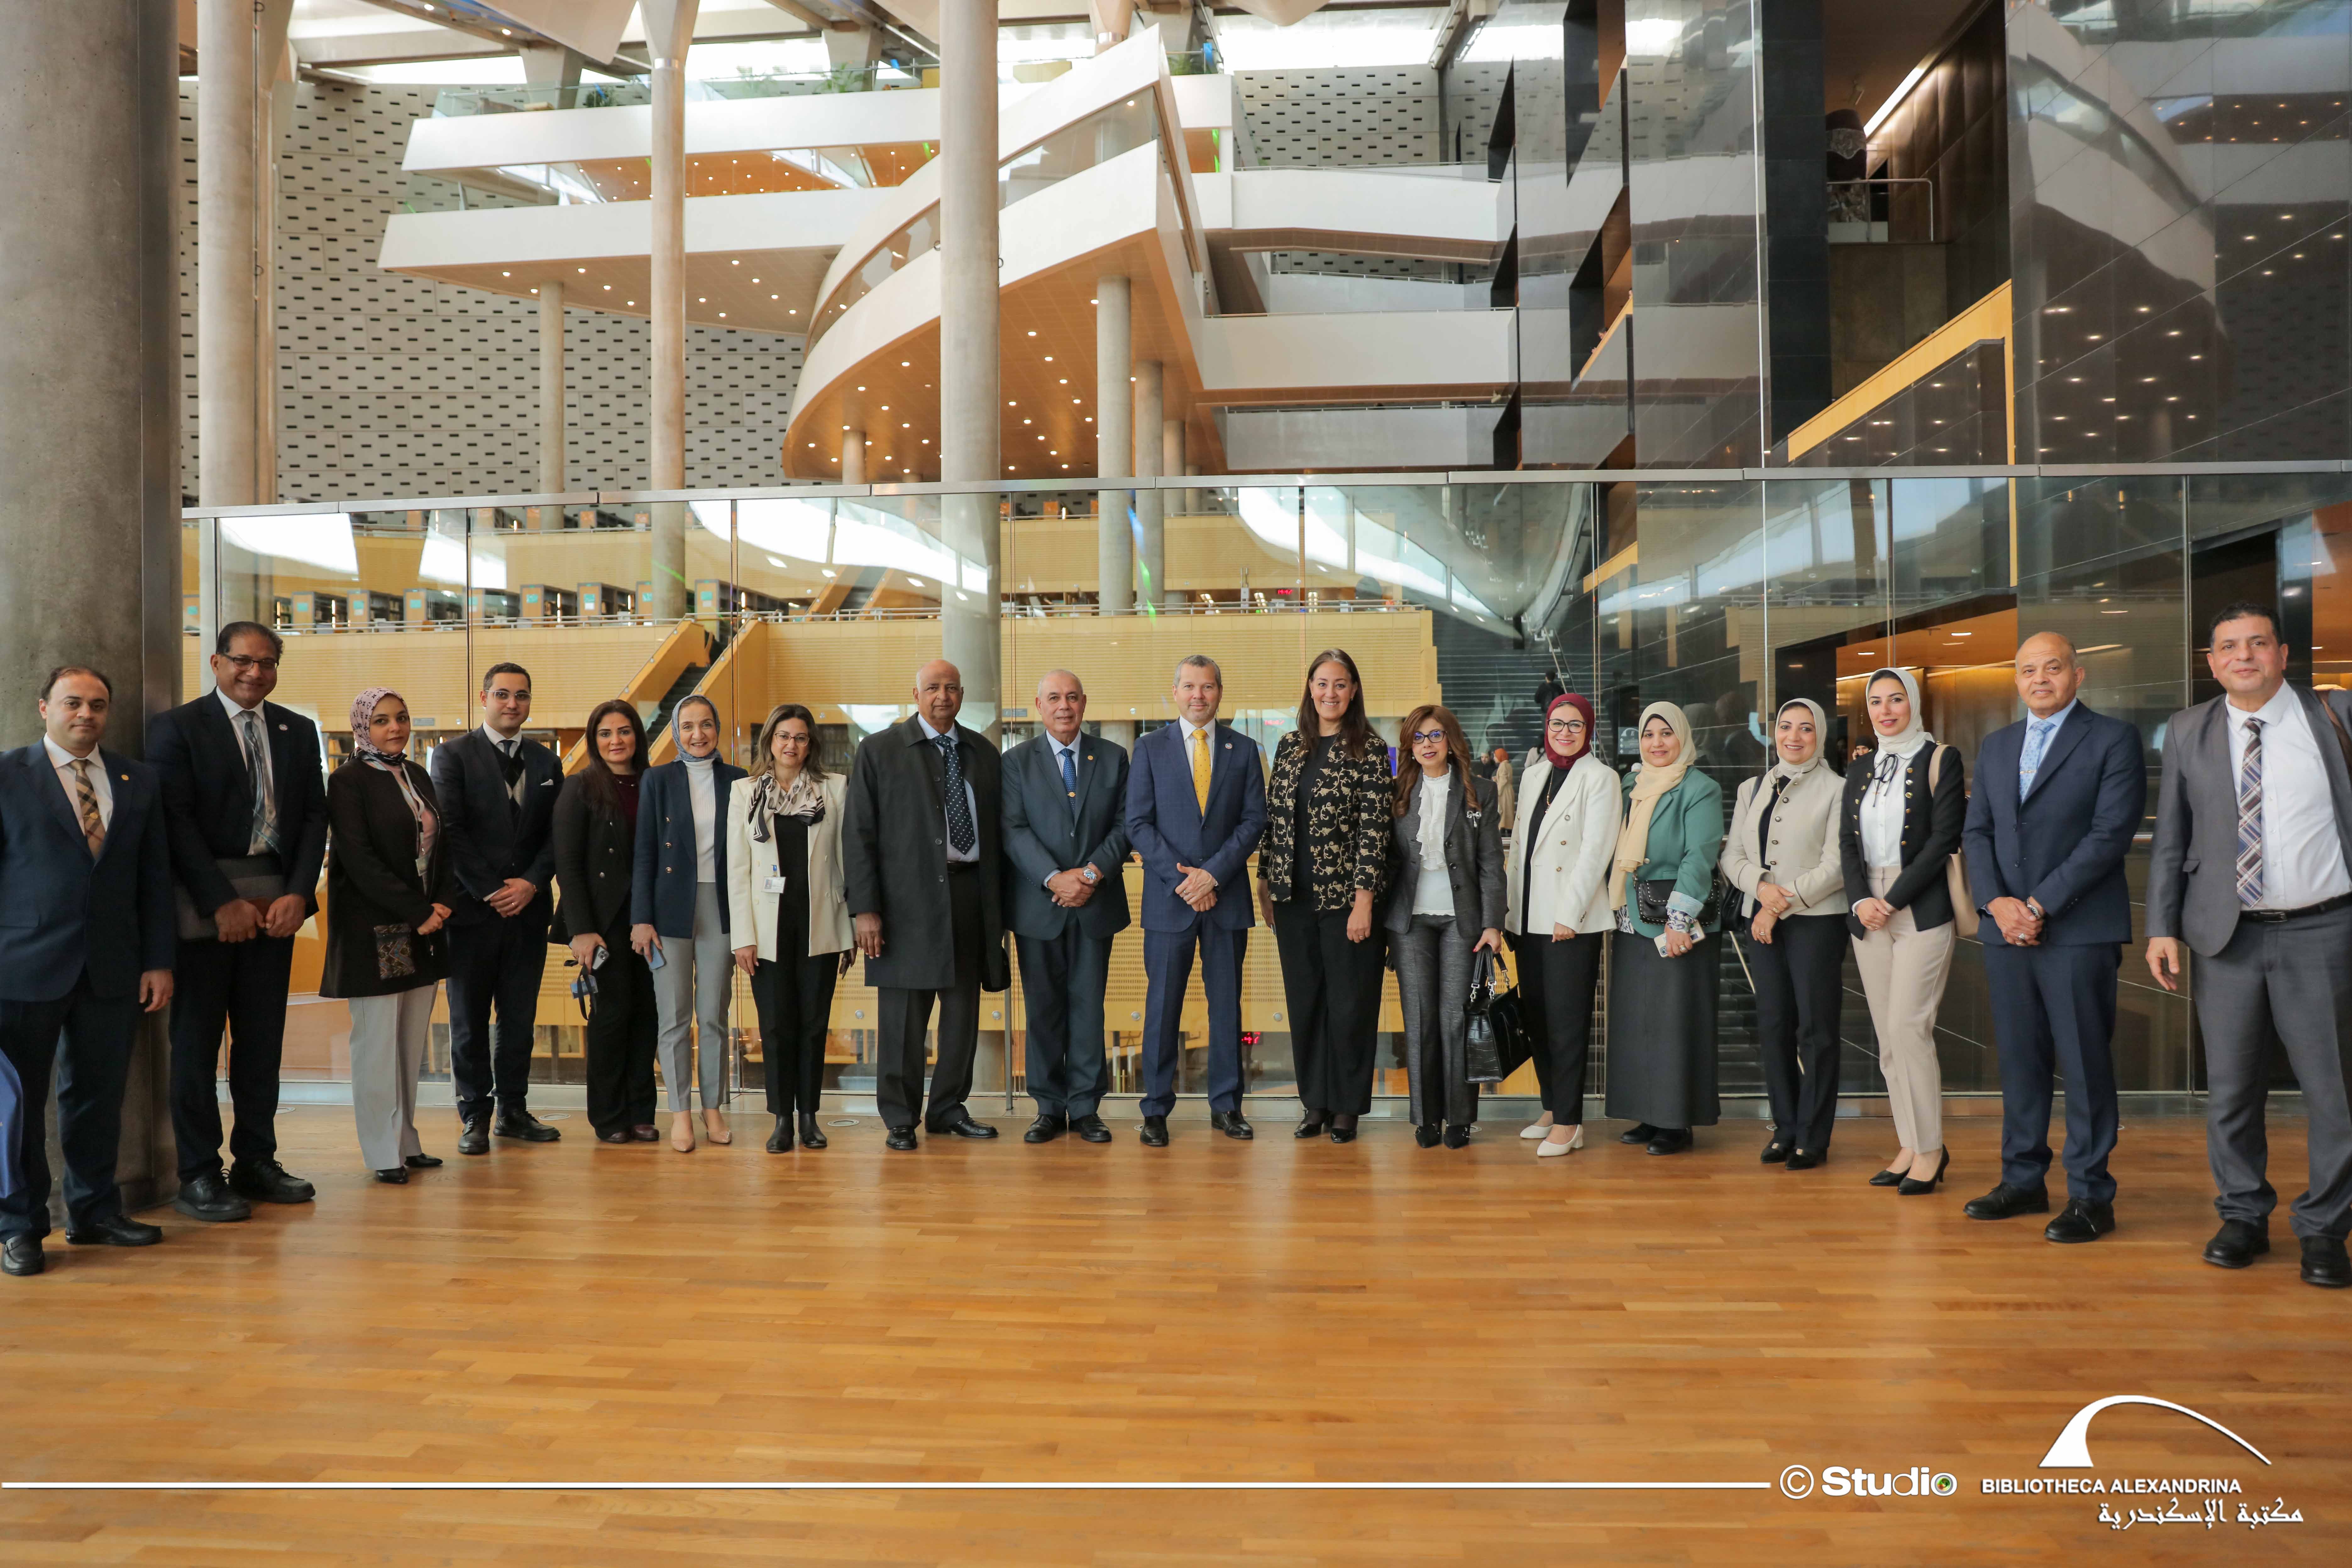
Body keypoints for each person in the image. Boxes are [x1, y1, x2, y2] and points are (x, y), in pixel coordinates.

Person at [2148, 603, 2352, 1288]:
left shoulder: (2333, 716)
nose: (2244, 656)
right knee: (2233, 1089)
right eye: (2229, 646)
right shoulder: (2188, 728)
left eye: (2257, 643)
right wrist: (2161, 925)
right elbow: (2171, 837)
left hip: (2323, 930)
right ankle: (2242, 1214)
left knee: (2333, 1092)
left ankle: (2325, 1228)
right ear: (2212, 663)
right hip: (2226, 935)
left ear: (2282, 654)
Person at [1961, 634, 2144, 1242]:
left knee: (2085, 1063)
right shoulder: (1997, 745)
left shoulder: (2112, 739)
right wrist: (1997, 903)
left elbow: (2109, 834)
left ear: (2077, 674)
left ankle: (2091, 1195)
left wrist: (2037, 904)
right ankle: (2022, 1179)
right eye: (2027, 670)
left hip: (2077, 928)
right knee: (2020, 1059)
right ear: (2015, 679)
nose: (2039, 678)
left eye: (2052, 667)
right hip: (2005, 930)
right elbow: (1977, 831)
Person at [146, 621, 327, 1222]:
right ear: (217, 662)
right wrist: (220, 900)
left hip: (276, 904)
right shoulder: (177, 727)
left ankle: (256, 1159)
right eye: (243, 660)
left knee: (262, 1043)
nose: (255, 672)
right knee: (195, 1045)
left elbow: (313, 817)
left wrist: (299, 892)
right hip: (205, 910)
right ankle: (199, 1173)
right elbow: (174, 819)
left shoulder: (295, 729)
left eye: (267, 662)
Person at [0, 668, 175, 1278]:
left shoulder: (136, 779)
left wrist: (158, 959)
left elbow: (154, 878)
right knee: (20, 1105)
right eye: (72, 702)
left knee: (98, 1098)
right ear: (44, 707)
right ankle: (19, 1226)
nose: (86, 714)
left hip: (112, 966)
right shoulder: (8, 773)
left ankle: (95, 1212)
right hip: (22, 966)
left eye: (98, 704)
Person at [841, 660, 1009, 1150]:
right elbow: (858, 834)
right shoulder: (879, 750)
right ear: (915, 694)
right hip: (902, 905)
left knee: (961, 1017)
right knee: (903, 1019)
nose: (942, 696)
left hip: (969, 898)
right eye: (932, 687)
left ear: (962, 694)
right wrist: (865, 909)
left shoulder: (982, 752)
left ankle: (948, 1109)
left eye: (951, 687)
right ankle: (900, 1117)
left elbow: (998, 835)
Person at [1126, 655, 1268, 1146]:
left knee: (1225, 1008)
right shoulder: (1149, 748)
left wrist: (1212, 876)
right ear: (1175, 692)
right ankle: (1154, 1110)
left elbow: (1253, 821)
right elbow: (1137, 823)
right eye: (1189, 686)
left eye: (1207, 687)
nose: (1198, 696)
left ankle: (1226, 1107)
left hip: (1225, 900)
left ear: (1219, 693)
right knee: (1162, 1008)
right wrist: (1184, 880)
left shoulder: (1243, 749)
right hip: (1169, 902)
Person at [1840, 668, 1967, 1196]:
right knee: (1888, 1037)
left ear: (1913, 703)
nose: (1886, 709)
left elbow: (1943, 839)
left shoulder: (1940, 758)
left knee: (1908, 1027)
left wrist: (1890, 900)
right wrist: (1860, 900)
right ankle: (1910, 1144)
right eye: (1876, 701)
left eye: (1896, 699)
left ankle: (1931, 1149)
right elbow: (1846, 842)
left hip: (1919, 906)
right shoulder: (1860, 766)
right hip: (1867, 908)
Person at [1258, 649, 1392, 1144]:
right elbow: (1274, 819)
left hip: (1347, 902)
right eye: (1321, 683)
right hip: (1292, 898)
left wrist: (1364, 900)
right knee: (1306, 1002)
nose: (1329, 692)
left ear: (1353, 691)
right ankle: (1314, 1103)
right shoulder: (1289, 746)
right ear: (1310, 688)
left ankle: (1346, 1108)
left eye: (1339, 684)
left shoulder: (1370, 749)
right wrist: (1264, 883)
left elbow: (1374, 830)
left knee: (1350, 1005)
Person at [321, 688, 453, 1185]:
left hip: (424, 927)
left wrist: (442, 902)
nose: (394, 728)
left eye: (401, 718)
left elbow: (442, 846)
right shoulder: (347, 781)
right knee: (376, 1046)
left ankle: (406, 1141)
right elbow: (358, 860)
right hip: (375, 929)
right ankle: (382, 1151)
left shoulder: (417, 774)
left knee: (408, 1043)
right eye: (381, 720)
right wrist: (419, 911)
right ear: (363, 727)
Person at [430, 663, 562, 1155]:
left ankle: (513, 1110)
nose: (512, 703)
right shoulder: (451, 756)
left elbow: (556, 835)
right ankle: (474, 1115)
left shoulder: (547, 762)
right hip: (470, 912)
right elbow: (451, 831)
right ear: (484, 698)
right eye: (503, 694)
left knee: (519, 1019)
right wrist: (492, 891)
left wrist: (530, 883)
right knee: (468, 1021)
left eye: (521, 695)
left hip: (528, 910)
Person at [1000, 670, 1131, 1145]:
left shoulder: (1113, 757)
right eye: (1054, 698)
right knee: (1043, 1010)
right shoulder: (1016, 762)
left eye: (1072, 697)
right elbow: (1013, 829)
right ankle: (1048, 1108)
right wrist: (1055, 878)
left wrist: (1090, 875)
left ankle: (1087, 1107)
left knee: (1088, 1008)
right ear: (1039, 705)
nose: (1064, 706)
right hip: (1039, 906)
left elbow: (1125, 824)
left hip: (1095, 904)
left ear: (1084, 703)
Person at [1721, 698, 1849, 1169]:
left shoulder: (1838, 789)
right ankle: (1785, 1127)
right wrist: (1759, 888)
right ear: (1772, 732)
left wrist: (1776, 904)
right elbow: (1731, 856)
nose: (1793, 737)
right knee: (1774, 1025)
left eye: (1805, 729)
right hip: (1760, 917)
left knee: (1816, 1029)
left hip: (1816, 922)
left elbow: (1836, 866)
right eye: (1785, 727)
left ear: (1820, 735)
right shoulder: (1752, 787)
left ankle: (1813, 1136)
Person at [727, 703, 853, 1153]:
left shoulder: (834, 788)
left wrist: (849, 929)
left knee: (814, 1025)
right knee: (777, 1026)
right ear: (770, 741)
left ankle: (809, 1117)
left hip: (821, 923)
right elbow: (737, 870)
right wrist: (742, 937)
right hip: (767, 931)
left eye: (800, 737)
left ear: (810, 743)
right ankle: (781, 1119)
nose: (791, 745)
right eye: (783, 736)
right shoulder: (745, 792)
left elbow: (846, 863)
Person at [1604, 702, 1724, 1155]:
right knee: (1638, 1023)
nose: (1657, 743)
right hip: (1631, 918)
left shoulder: (1700, 788)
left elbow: (1699, 857)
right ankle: (1648, 1114)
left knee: (1677, 1024)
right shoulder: (1630, 785)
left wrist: (1679, 921)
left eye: (1666, 733)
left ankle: (1676, 1122)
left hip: (1674, 920)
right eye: (1648, 734)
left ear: (1683, 737)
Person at [1504, 693, 1619, 1159]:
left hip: (1569, 921)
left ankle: (1570, 1123)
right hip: (1528, 916)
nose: (1565, 732)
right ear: (1546, 727)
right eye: (1557, 723)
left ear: (1588, 730)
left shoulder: (1601, 778)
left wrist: (1568, 916)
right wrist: (1509, 913)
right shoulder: (1534, 774)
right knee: (1536, 1019)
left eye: (1575, 725)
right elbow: (1519, 850)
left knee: (1567, 1022)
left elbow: (1595, 854)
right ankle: (1552, 1107)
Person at [1384, 704, 1504, 1148]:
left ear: (1450, 741)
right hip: (1409, 922)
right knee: (1419, 1021)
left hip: (1462, 921)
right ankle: (1425, 1118)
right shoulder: (1397, 791)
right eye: (1418, 737)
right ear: (1409, 746)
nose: (1427, 745)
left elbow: (1491, 862)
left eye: (1435, 735)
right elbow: (1384, 860)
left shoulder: (1480, 791)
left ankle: (1459, 1118)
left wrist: (1493, 924)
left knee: (1455, 1019)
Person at [631, 696, 746, 1153]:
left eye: (706, 724)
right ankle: (680, 1112)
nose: (698, 734)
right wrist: (641, 919)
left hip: (721, 905)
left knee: (714, 1015)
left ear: (717, 727)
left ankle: (712, 1108)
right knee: (674, 1017)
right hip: (668, 911)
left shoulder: (738, 779)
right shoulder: (657, 779)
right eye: (688, 726)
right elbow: (645, 852)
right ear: (677, 732)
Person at [552, 700, 659, 1145]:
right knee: (611, 1019)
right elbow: (567, 864)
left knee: (647, 1017)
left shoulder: (654, 782)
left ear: (637, 735)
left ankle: (642, 1112)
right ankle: (610, 1116)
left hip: (650, 920)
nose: (616, 741)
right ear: (594, 741)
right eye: (605, 733)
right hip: (603, 924)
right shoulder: (580, 787)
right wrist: (580, 930)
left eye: (624, 731)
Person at [1491, 746, 1516, 834]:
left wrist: (1498, 791)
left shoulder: (1503, 766)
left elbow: (1503, 780)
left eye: (1496, 756)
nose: (1494, 758)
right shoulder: (1507, 765)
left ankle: (1503, 826)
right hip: (1507, 790)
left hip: (1504, 791)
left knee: (1504, 810)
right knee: (1507, 810)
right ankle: (1507, 826)